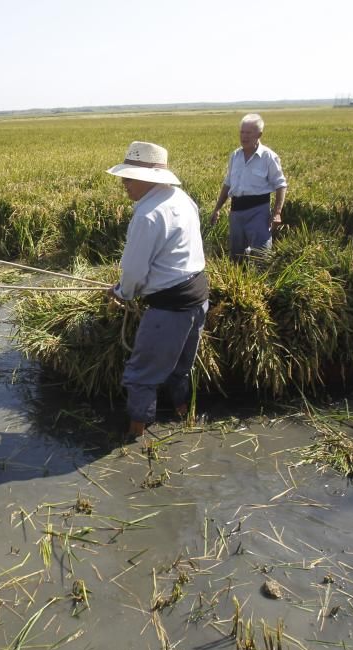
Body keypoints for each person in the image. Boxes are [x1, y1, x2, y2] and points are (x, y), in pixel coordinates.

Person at [106, 141, 209, 441]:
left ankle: (134, 434)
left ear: (148, 178)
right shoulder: (181, 198)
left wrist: (122, 293)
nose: (123, 183)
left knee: (140, 374)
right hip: (198, 297)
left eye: (128, 177)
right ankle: (183, 414)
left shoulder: (147, 214)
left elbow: (135, 272)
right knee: (180, 365)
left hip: (169, 308)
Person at [209, 113, 288, 259]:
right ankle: (240, 281)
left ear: (259, 134)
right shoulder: (235, 155)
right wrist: (217, 209)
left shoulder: (268, 157)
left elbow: (280, 184)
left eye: (248, 133)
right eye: (242, 132)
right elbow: (228, 183)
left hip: (258, 211)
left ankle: (260, 281)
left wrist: (277, 212)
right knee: (236, 255)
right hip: (236, 211)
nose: (244, 136)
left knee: (261, 254)